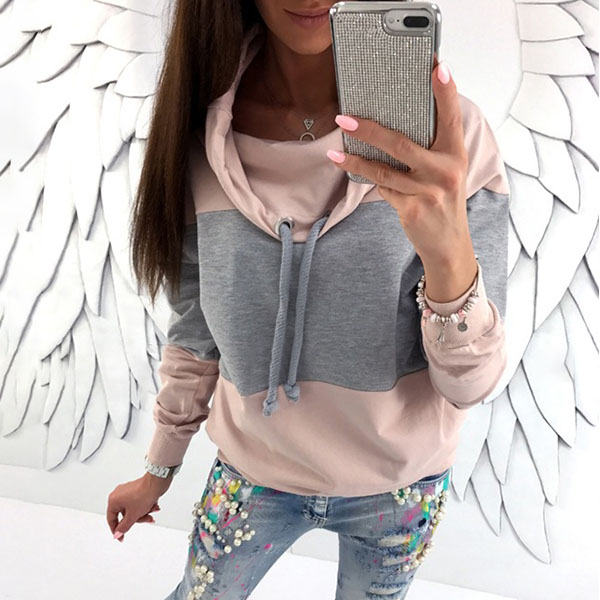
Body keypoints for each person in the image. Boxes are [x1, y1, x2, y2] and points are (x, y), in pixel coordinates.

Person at [107, 2, 509, 599]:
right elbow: (196, 329)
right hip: (254, 473)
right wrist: (159, 468)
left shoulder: (449, 138)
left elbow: (471, 385)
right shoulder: (197, 138)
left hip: (400, 488)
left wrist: (449, 253)